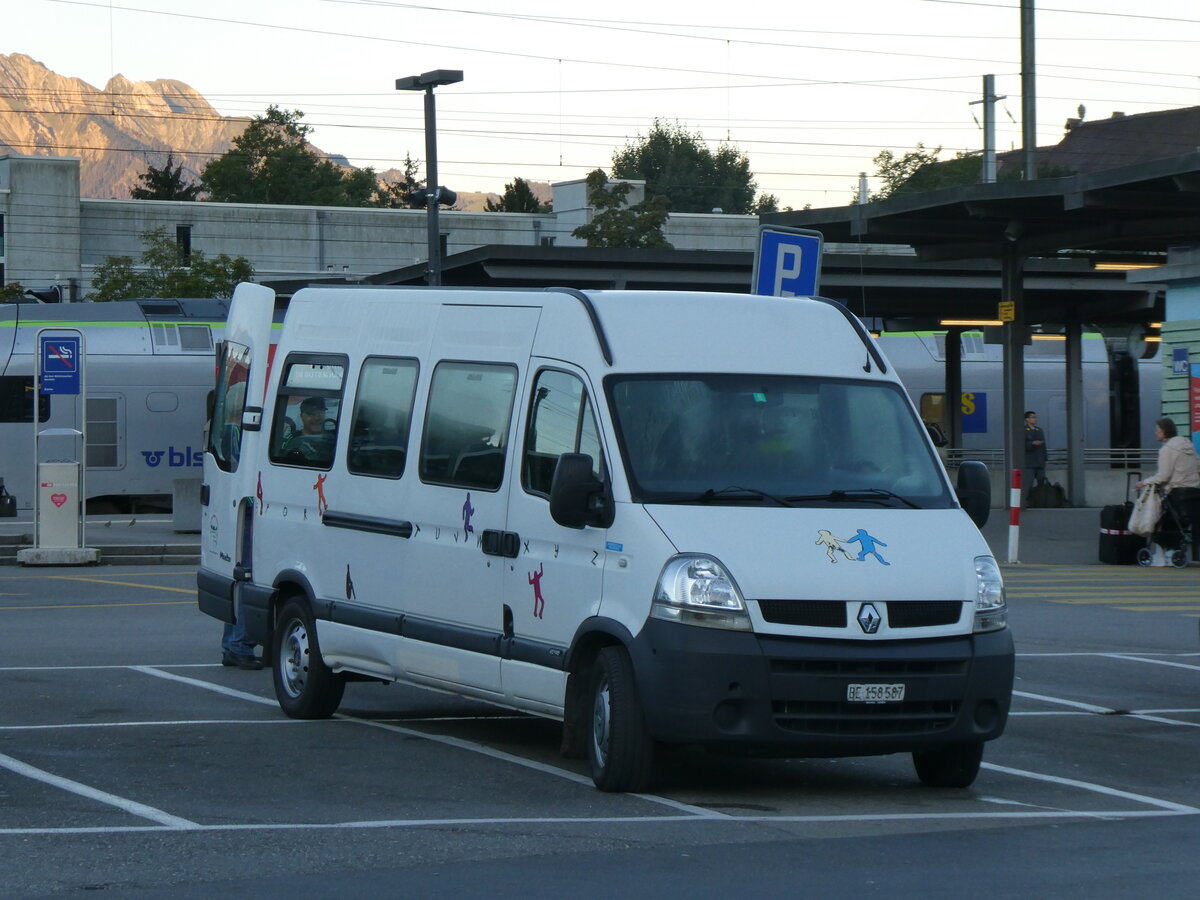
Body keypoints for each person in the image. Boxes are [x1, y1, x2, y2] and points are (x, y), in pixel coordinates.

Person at [1023, 410, 1048, 490]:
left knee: (1042, 481)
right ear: (1027, 419)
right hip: (1030, 463)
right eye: (1033, 417)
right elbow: (1021, 445)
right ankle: (1027, 500)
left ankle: (1040, 499)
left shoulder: (1039, 430)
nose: (1035, 419)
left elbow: (1044, 446)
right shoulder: (1024, 430)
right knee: (1028, 483)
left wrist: (1045, 459)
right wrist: (1032, 444)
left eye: (1035, 417)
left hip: (1040, 462)